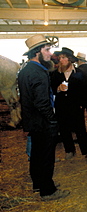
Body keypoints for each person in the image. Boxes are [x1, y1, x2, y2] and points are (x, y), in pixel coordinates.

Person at [17, 34, 70, 201]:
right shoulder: (39, 72)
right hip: (43, 122)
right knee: (46, 156)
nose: (50, 54)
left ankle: (38, 183)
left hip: (33, 121)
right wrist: (52, 121)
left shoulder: (26, 70)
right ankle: (48, 190)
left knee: (37, 154)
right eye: (47, 50)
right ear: (37, 52)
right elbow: (41, 103)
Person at [50, 47, 87, 165]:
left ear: (70, 60)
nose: (61, 60)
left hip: (76, 106)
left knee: (81, 130)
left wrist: (82, 105)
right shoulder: (55, 74)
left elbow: (85, 91)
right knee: (64, 129)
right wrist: (57, 89)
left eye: (63, 58)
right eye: (59, 58)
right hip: (61, 106)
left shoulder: (80, 74)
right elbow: (51, 89)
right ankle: (69, 150)